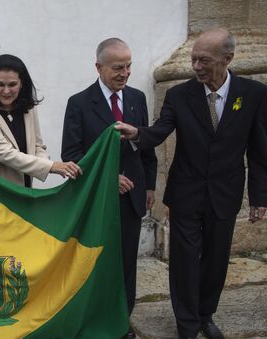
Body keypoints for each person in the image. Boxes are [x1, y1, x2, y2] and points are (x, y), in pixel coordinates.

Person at [115, 28, 267, 339]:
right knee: (184, 260)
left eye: (204, 60)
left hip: (225, 192)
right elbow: (160, 130)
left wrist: (259, 197)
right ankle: (186, 323)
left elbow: (260, 150)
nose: (196, 66)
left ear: (228, 59)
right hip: (186, 192)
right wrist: (138, 134)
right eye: (194, 59)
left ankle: (205, 315)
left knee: (216, 259)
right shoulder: (179, 95)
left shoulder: (253, 94)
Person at [61, 38, 157, 338]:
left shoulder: (137, 98)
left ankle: (121, 320)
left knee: (127, 263)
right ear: (99, 67)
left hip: (132, 200)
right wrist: (107, 178)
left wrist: (150, 186)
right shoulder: (79, 103)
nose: (125, 73)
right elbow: (72, 155)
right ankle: (95, 318)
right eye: (118, 67)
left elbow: (146, 148)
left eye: (129, 66)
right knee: (100, 263)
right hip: (98, 200)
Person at [0, 54, 81, 187]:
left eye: (12, 84)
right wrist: (51, 166)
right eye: (0, 84)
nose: (6, 91)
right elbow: (6, 154)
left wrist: (49, 164)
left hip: (24, 189)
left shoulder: (28, 109)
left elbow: (37, 146)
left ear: (22, 83)